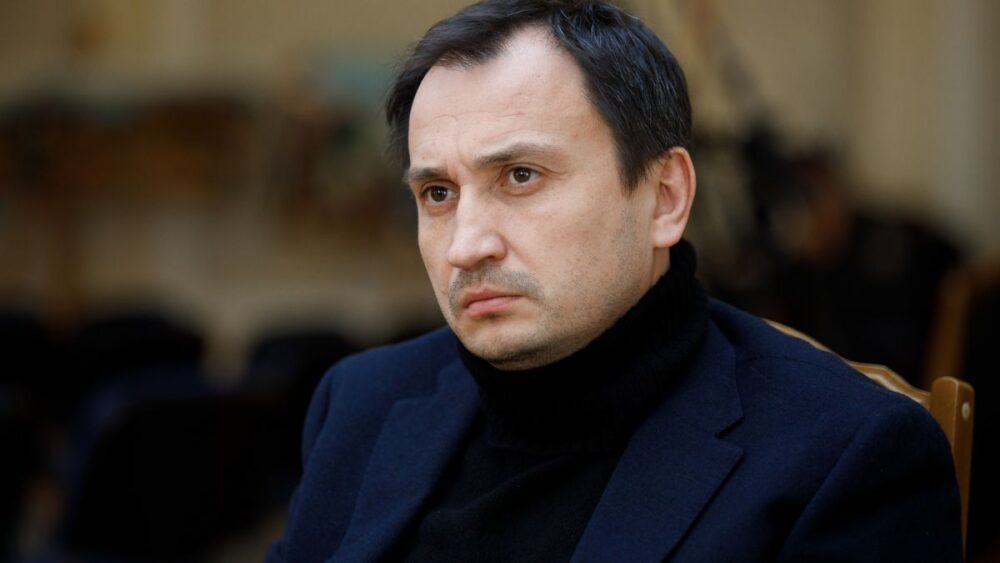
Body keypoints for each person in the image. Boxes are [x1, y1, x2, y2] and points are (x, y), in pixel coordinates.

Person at [267, 1, 962, 561]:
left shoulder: (843, 456)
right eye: (438, 193)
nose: (466, 245)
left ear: (665, 198)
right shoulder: (360, 402)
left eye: (520, 176)